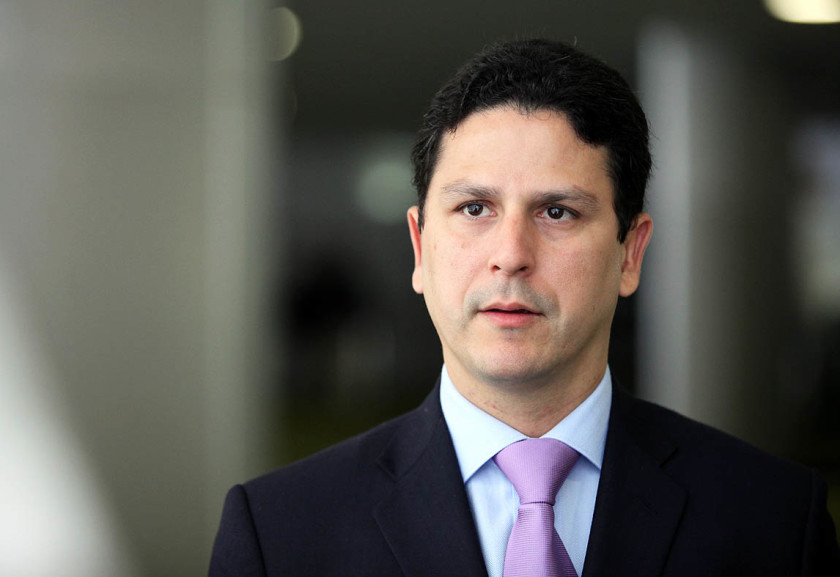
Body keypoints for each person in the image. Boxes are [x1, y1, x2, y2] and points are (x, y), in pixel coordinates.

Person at [208, 39, 840, 577]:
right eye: (474, 208)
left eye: (557, 212)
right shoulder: (278, 533)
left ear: (630, 253)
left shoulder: (777, 520)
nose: (511, 255)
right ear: (421, 248)